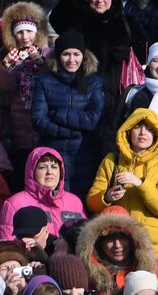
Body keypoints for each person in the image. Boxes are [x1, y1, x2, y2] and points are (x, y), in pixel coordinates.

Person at [86, 108, 158, 261]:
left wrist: (141, 184)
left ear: (156, 135)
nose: (143, 133)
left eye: (149, 129)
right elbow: (91, 202)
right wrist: (107, 197)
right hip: (117, 245)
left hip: (151, 245)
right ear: (128, 131)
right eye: (137, 127)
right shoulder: (111, 161)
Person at [31, 32, 106, 196]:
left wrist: (59, 115)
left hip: (85, 155)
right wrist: (73, 132)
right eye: (66, 54)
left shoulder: (94, 82)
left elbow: (95, 119)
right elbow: (38, 119)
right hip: (54, 155)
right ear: (58, 56)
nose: (72, 60)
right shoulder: (44, 81)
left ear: (83, 55)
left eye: (76, 54)